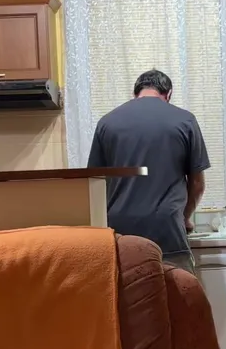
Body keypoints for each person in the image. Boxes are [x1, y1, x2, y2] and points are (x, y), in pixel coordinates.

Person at [87, 69, 209, 273]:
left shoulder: (106, 123)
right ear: (168, 94)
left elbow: (94, 183)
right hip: (167, 230)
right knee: (177, 291)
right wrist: (184, 217)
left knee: (130, 294)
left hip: (120, 234)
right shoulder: (185, 120)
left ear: (135, 93)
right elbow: (197, 184)